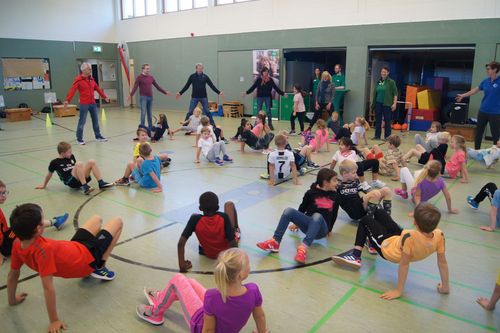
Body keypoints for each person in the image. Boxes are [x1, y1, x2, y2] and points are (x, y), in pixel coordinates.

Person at [7, 203, 123, 333]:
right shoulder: (43, 252)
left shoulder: (17, 243)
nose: (44, 222)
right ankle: (99, 266)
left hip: (75, 246)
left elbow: (13, 274)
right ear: (38, 229)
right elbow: (48, 288)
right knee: (118, 221)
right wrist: (54, 320)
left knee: (97, 218)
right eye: (42, 221)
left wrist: (12, 299)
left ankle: (98, 262)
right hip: (86, 260)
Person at [332, 202, 450, 301]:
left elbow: (404, 264)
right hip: (398, 239)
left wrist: (398, 291)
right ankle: (370, 241)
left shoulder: (409, 237)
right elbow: (442, 263)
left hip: (387, 248)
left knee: (365, 220)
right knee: (380, 212)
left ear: (415, 223)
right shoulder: (440, 235)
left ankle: (356, 255)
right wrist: (445, 286)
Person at [137, 249, 267, 332]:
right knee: (191, 282)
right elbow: (259, 316)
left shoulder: (213, 296)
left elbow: (208, 330)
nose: (250, 266)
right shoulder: (253, 290)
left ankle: (155, 313)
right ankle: (162, 297)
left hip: (199, 325)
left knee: (178, 279)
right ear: (240, 275)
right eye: (248, 265)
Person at [257, 168, 339, 264]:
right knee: (288, 211)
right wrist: (296, 224)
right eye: (335, 180)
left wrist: (329, 229)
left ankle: (303, 249)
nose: (337, 182)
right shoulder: (310, 193)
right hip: (308, 227)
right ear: (325, 182)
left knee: (317, 216)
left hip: (321, 230)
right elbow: (302, 208)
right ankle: (275, 241)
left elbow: (334, 213)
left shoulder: (335, 195)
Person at [0, 181, 68, 266]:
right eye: (0, 194)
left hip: (6, 233)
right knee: (25, 222)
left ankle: (54, 222)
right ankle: (54, 222)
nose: (4, 196)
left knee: (21, 222)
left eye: (4, 193)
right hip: (5, 244)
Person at [177, 192, 239, 272]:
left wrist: (182, 265)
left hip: (207, 253)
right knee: (229, 204)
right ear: (218, 207)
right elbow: (233, 244)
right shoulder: (223, 217)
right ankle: (236, 229)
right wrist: (234, 263)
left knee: (194, 216)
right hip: (225, 254)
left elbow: (180, 243)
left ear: (200, 208)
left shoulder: (194, 219)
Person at [36, 141, 114, 195]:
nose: (71, 153)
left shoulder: (71, 157)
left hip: (79, 178)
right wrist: (44, 185)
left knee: (91, 161)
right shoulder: (54, 162)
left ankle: (101, 183)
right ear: (62, 153)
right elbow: (49, 174)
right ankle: (85, 187)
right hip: (71, 181)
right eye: (69, 152)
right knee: (79, 164)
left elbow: (77, 169)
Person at [456, 61, 500, 149]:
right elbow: (474, 90)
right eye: (486, 69)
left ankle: (496, 154)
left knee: (495, 134)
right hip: (483, 111)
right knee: (479, 132)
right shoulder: (485, 81)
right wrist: (463, 95)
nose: (487, 71)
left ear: (495, 70)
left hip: (495, 113)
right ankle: (477, 151)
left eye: (488, 69)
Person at [64, 62, 110, 145]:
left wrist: (104, 97)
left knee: (95, 121)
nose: (90, 70)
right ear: (84, 70)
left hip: (93, 103)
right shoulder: (78, 80)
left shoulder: (91, 79)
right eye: (89, 69)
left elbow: (98, 88)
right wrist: (68, 100)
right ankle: (79, 139)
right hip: (84, 104)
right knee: (82, 122)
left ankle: (98, 136)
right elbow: (72, 90)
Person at [129, 64, 171, 133]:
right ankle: (142, 129)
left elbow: (157, 86)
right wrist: (130, 95)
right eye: (147, 69)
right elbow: (135, 87)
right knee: (143, 113)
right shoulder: (139, 78)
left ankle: (150, 129)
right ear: (143, 69)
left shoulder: (151, 77)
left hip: (150, 98)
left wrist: (165, 92)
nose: (148, 70)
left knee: (149, 114)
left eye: (149, 69)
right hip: (143, 98)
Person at [243, 67, 285, 131]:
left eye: (267, 72)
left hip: (267, 97)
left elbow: (276, 88)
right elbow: (253, 87)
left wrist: (283, 93)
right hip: (260, 97)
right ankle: (257, 123)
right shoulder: (259, 79)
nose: (266, 73)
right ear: (262, 72)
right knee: (259, 111)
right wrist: (246, 92)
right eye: (264, 72)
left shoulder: (270, 80)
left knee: (268, 111)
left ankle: (270, 124)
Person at [371, 66, 398, 140]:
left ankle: (388, 137)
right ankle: (377, 136)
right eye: (382, 72)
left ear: (388, 73)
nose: (383, 73)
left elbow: (395, 93)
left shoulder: (391, 82)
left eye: (385, 72)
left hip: (387, 104)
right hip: (378, 103)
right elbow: (376, 92)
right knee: (378, 120)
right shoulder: (379, 81)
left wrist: (394, 103)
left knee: (387, 120)